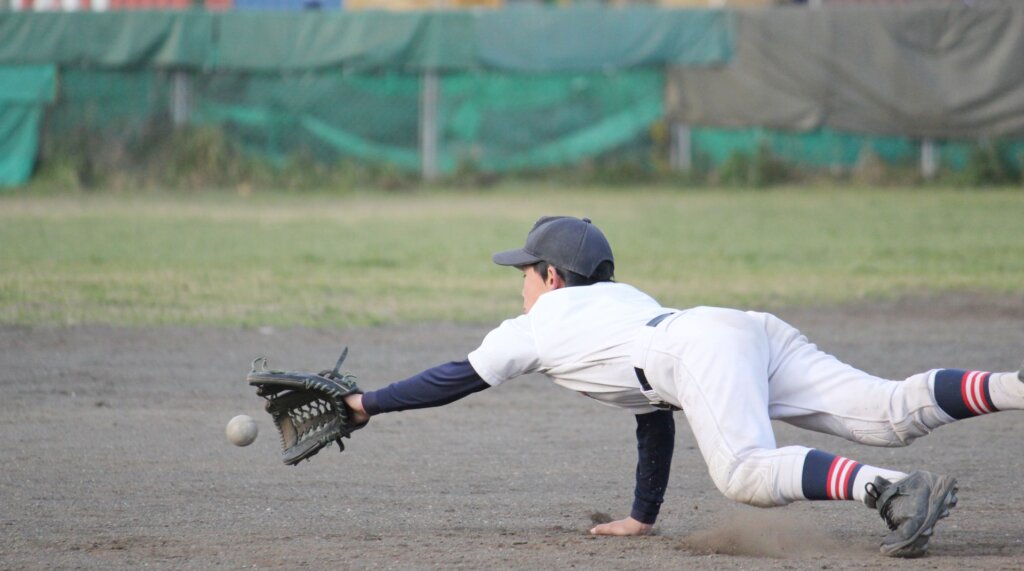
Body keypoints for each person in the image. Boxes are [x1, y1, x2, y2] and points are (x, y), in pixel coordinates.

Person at [344, 215, 1023, 558]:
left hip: (698, 346)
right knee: (888, 409)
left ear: (551, 276)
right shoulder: (619, 299)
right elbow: (655, 408)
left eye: (524, 269)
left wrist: (364, 403)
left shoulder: (538, 323)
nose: (519, 280)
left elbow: (454, 378)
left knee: (745, 473)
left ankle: (888, 489)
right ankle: (1014, 385)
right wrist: (642, 515)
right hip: (735, 328)